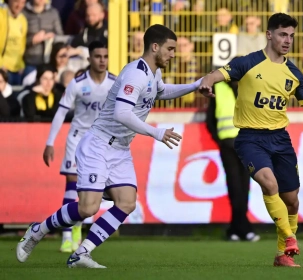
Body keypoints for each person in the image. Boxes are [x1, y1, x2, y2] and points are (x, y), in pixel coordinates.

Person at [16, 24, 203, 269]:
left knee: (127, 202)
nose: (173, 54)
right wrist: (157, 132)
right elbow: (122, 113)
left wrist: (195, 84)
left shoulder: (153, 73)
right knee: (87, 208)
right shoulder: (135, 73)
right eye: (169, 48)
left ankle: (81, 253)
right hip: (99, 144)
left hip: (120, 149)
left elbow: (162, 91)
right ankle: (38, 230)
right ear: (155, 47)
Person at [198, 13, 303, 267]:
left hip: (280, 139)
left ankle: (282, 256)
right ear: (269, 34)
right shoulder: (248, 63)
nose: (288, 40)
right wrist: (207, 83)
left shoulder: (294, 73)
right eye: (283, 34)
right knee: (268, 182)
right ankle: (289, 238)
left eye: (292, 36)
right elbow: (216, 74)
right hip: (250, 138)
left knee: (292, 199)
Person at [42, 40, 114, 253]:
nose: (102, 60)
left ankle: (77, 230)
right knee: (71, 185)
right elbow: (62, 111)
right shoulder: (77, 83)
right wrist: (49, 142)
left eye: (105, 56)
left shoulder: (114, 83)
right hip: (77, 138)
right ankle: (66, 236)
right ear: (90, 58)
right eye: (98, 56)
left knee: (90, 190)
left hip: (99, 142)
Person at [205, 77, 259, 242]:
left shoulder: (251, 87)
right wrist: (219, 140)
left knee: (243, 188)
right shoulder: (219, 88)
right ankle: (244, 229)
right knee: (236, 187)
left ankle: (236, 229)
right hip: (229, 145)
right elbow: (210, 119)